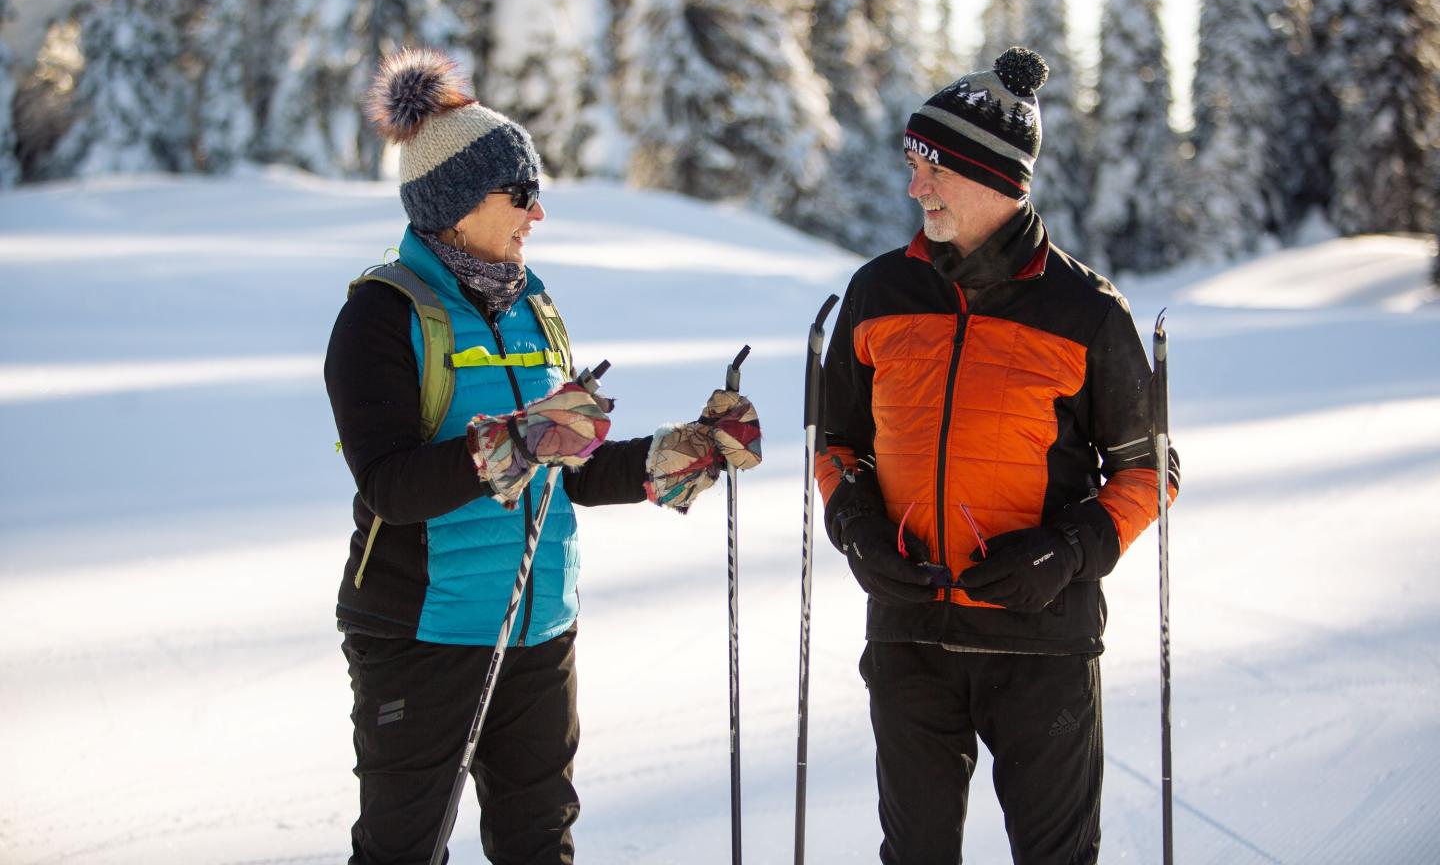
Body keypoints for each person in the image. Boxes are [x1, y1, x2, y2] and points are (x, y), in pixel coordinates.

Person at [325, 47, 762, 865]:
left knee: (539, 842)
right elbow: (390, 488)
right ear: (455, 204)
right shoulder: (382, 316)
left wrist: (690, 454)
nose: (536, 214)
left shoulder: (534, 307)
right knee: (403, 848)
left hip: (538, 623)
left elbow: (576, 468)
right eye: (519, 194)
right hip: (424, 631)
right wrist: (518, 439)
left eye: (539, 193)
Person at [816, 46, 1180, 865]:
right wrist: (855, 527)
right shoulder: (879, 293)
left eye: (932, 169)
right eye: (913, 166)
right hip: (910, 633)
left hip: (1040, 642)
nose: (916, 188)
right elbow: (836, 444)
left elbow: (1148, 469)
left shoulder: (1086, 311)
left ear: (998, 179)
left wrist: (1069, 550)